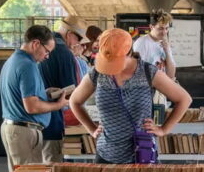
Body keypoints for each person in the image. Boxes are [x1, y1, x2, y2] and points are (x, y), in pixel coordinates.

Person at [68, 28, 191, 164]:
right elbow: (74, 101)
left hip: (141, 154)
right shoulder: (97, 74)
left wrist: (163, 129)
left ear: (129, 52)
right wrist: (91, 129)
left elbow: (184, 99)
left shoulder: (147, 72)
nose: (112, 68)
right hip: (106, 155)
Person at [0, 25, 66, 172]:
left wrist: (45, 93)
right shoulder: (28, 65)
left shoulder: (14, 60)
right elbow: (32, 106)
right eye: (47, 51)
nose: (47, 56)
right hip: (24, 131)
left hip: (13, 128)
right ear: (36, 44)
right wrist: (58, 105)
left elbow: (21, 95)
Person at [39, 16, 91, 163]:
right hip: (54, 120)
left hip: (40, 119)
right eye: (78, 39)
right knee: (53, 168)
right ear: (69, 35)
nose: (78, 44)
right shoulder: (62, 52)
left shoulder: (47, 45)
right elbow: (73, 93)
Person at [132, 9, 177, 79]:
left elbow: (171, 75)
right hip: (148, 88)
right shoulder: (141, 43)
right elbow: (136, 73)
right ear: (151, 27)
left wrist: (167, 51)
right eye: (160, 28)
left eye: (166, 28)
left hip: (163, 85)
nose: (164, 32)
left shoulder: (165, 43)